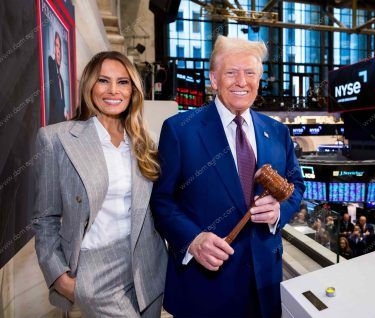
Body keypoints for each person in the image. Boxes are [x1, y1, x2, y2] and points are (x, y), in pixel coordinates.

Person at [151, 35, 304, 318]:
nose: (241, 82)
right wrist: (193, 239)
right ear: (213, 78)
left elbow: (297, 187)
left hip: (265, 285)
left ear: (259, 79)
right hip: (205, 286)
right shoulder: (180, 130)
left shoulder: (278, 132)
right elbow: (162, 201)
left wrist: (278, 212)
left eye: (250, 73)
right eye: (231, 72)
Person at [33, 51, 167, 317]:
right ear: (89, 86)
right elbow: (44, 218)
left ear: (133, 90)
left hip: (148, 265)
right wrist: (59, 276)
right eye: (103, 80)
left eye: (123, 82)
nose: (113, 90)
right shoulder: (57, 139)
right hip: (94, 269)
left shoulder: (144, 140)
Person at [47, 31, 68, 125]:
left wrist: (66, 117)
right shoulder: (50, 62)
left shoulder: (62, 81)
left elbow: (60, 109)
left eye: (60, 47)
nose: (59, 51)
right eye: (56, 46)